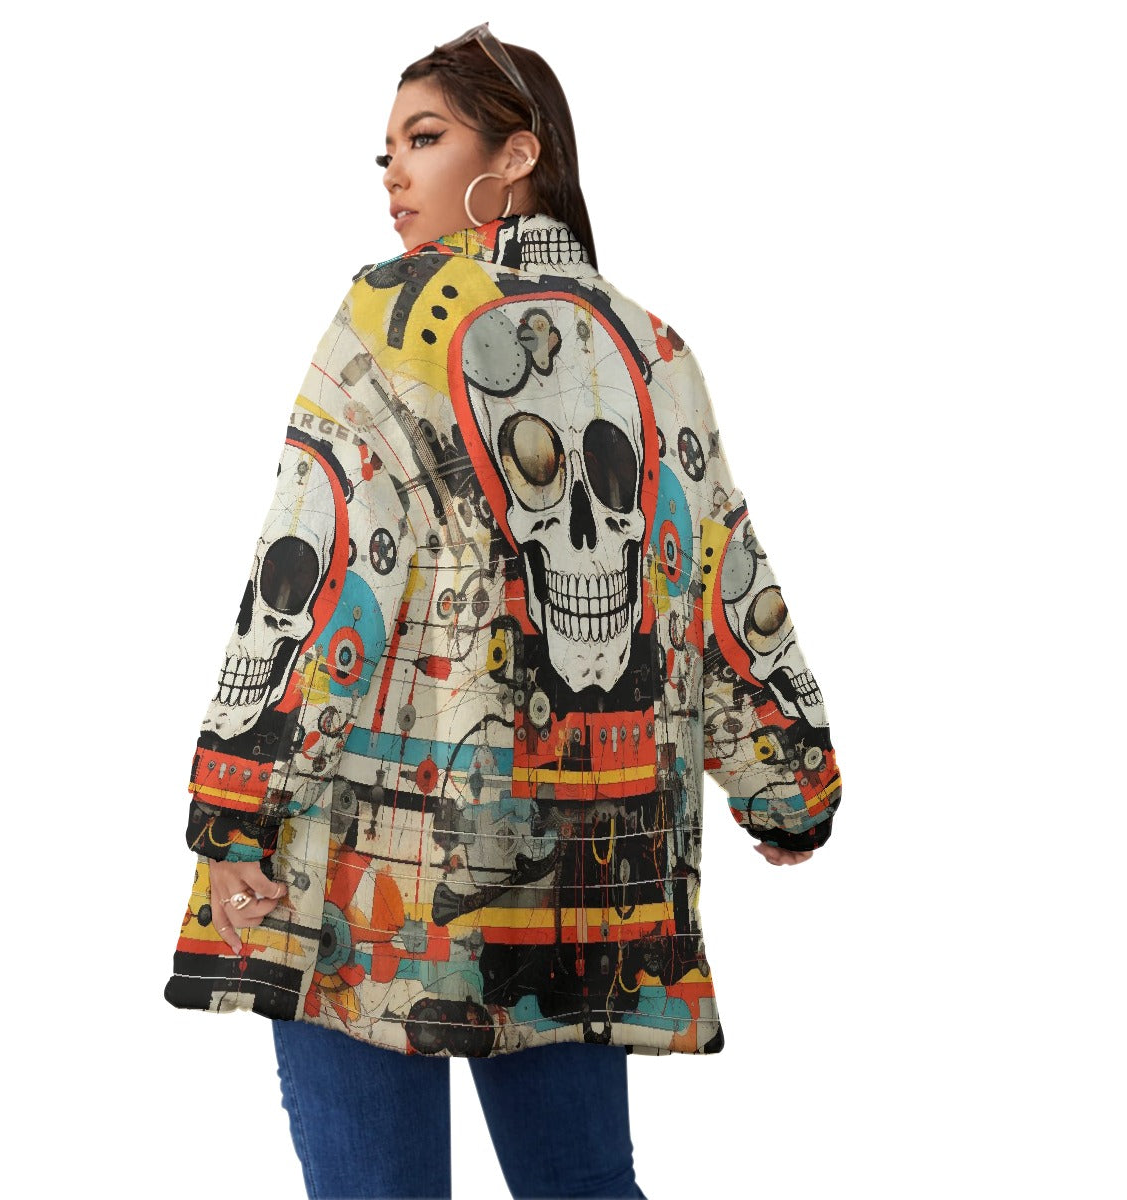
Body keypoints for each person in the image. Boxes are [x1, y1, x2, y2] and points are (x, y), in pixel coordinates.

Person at [164, 23, 842, 1200]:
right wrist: (790, 783)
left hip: (363, 863)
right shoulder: (657, 349)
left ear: (517, 153)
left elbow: (313, 564)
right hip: (582, 871)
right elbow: (723, 579)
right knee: (584, 1186)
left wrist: (235, 812)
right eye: (385, 150)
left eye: (424, 138)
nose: (394, 173)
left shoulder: (388, 315)